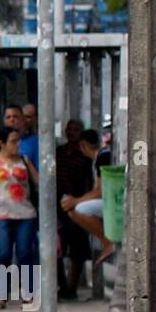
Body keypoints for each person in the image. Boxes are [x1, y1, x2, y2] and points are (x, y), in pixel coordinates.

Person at [0, 124, 39, 308]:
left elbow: (38, 180)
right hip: (0, 212)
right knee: (2, 253)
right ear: (1, 142)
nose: (17, 144)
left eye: (19, 140)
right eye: (13, 141)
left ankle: (28, 292)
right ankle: (1, 294)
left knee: (25, 253)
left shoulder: (23, 160)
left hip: (24, 212)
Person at [60, 128, 115, 266]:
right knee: (73, 209)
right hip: (107, 201)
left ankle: (108, 243)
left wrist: (76, 201)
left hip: (113, 201)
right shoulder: (98, 158)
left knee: (78, 209)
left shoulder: (103, 156)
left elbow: (102, 191)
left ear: (83, 145)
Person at [56, 118, 93, 298]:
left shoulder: (85, 156)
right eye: (69, 129)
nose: (72, 133)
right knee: (57, 247)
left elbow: (89, 182)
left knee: (78, 247)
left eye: (76, 129)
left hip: (79, 204)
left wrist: (80, 200)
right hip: (58, 206)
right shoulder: (58, 152)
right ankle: (62, 285)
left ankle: (72, 287)